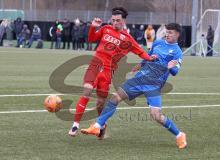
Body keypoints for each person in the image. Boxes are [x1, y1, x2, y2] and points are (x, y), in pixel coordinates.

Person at [80, 23, 187, 149]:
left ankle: (179, 135)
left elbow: (175, 72)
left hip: (153, 84)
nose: (167, 34)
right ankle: (97, 126)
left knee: (156, 115)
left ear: (177, 35)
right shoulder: (158, 42)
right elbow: (148, 57)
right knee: (115, 98)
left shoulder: (177, 52)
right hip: (139, 79)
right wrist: (140, 65)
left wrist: (169, 67)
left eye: (171, 33)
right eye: (167, 32)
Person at [68, 7, 157, 138]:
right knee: (86, 91)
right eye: (113, 20)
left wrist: (150, 58)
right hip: (95, 65)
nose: (115, 23)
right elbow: (91, 39)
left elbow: (140, 51)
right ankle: (75, 125)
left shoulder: (127, 39)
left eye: (118, 20)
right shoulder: (105, 29)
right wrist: (93, 27)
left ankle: (101, 125)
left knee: (100, 104)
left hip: (108, 72)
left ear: (123, 21)